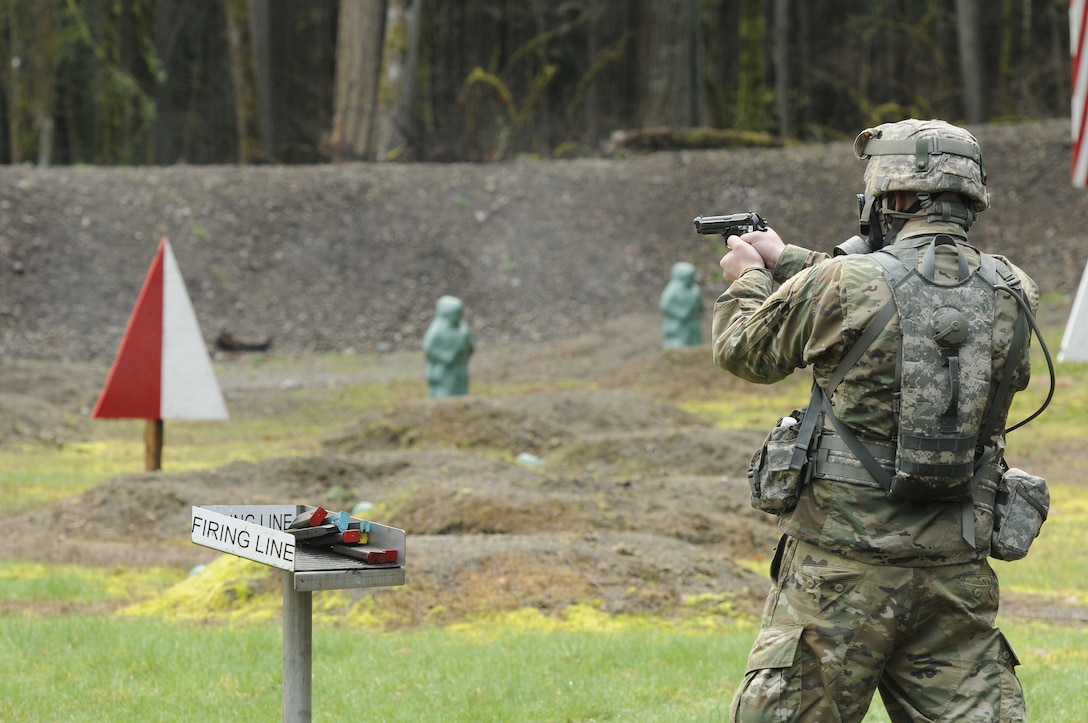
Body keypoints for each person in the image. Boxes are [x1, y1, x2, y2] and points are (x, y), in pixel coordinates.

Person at [713, 119, 1039, 721]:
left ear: (891, 199)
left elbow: (745, 353)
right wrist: (788, 259)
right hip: (956, 568)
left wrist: (750, 280)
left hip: (839, 573)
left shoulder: (843, 283)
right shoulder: (1015, 289)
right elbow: (904, 291)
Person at [423, 295, 475, 397]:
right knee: (444, 392)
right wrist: (444, 357)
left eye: (459, 314)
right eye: (455, 314)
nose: (458, 316)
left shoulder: (462, 329)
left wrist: (463, 357)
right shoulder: (437, 330)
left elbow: (471, 346)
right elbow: (429, 349)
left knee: (461, 391)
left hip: (459, 369)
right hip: (443, 371)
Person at [660, 261, 705, 348]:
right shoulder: (673, 289)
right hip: (677, 326)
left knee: (693, 343)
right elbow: (665, 305)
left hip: (692, 324)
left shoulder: (694, 291)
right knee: (679, 343)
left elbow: (701, 307)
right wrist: (680, 313)